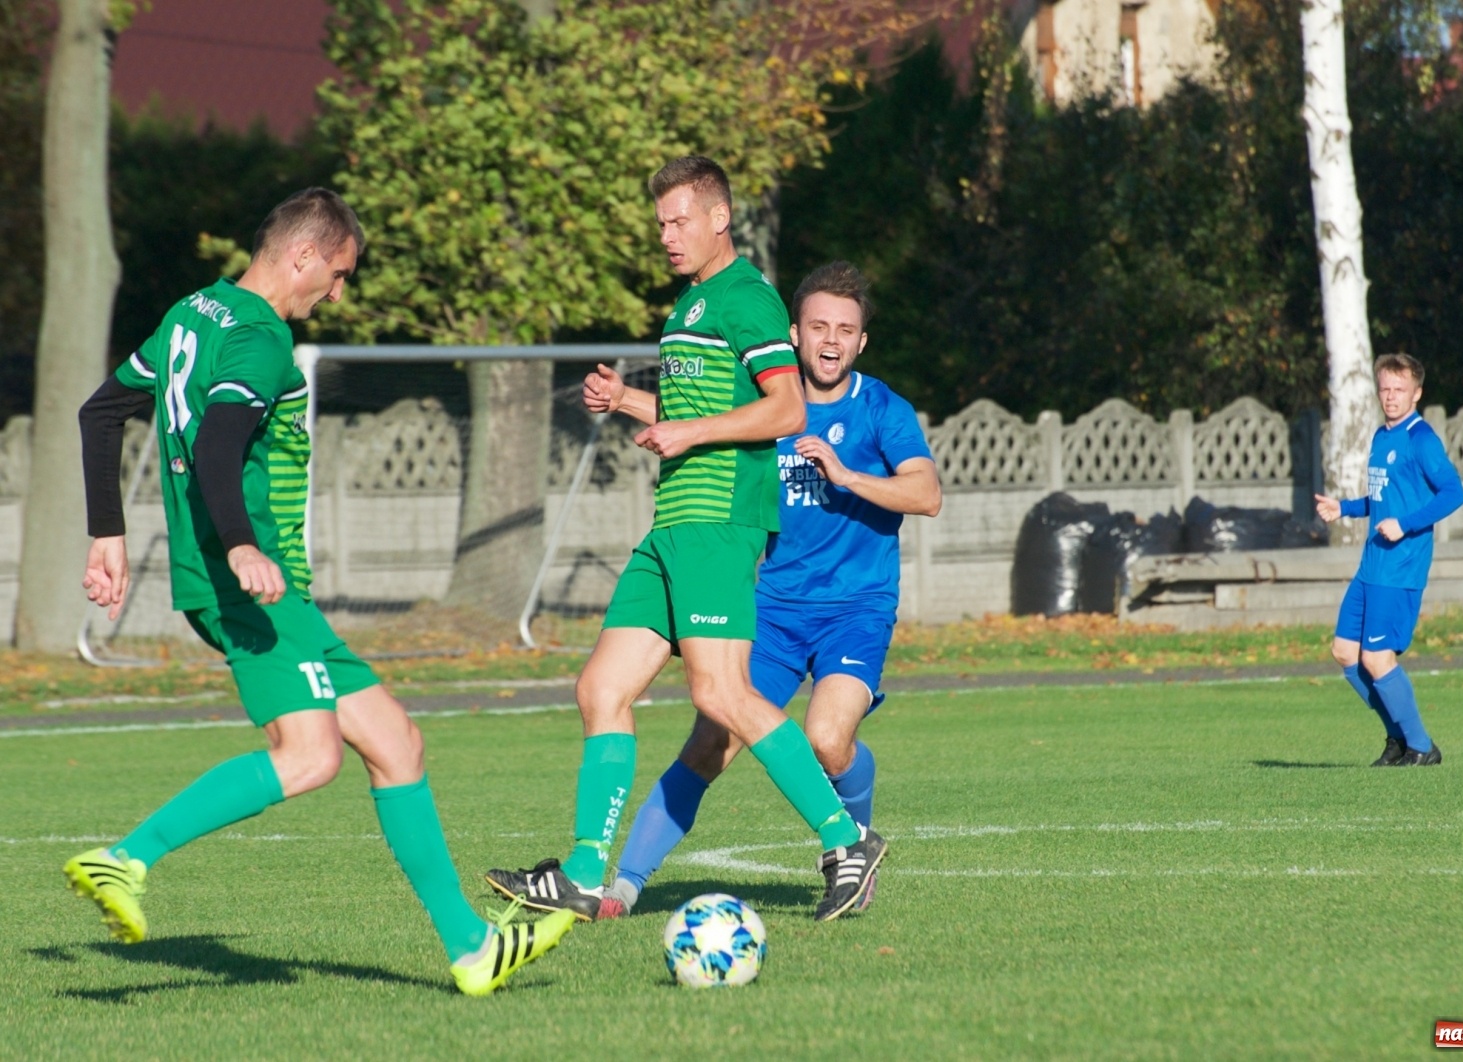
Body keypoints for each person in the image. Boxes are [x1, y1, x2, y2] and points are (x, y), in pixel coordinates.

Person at [65, 188, 572, 997]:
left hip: (246, 585)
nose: (337, 293)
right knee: (309, 757)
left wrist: (108, 533)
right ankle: (125, 858)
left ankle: (473, 949)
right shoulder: (263, 339)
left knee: (397, 743)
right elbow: (223, 440)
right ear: (300, 256)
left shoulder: (193, 312)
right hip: (247, 587)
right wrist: (240, 546)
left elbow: (101, 411)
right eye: (336, 274)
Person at [485, 158, 885, 924]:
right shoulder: (691, 305)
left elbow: (785, 410)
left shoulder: (747, 299)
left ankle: (846, 840)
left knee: (721, 694)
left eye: (678, 221)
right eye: (661, 223)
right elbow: (696, 405)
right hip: (672, 527)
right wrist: (628, 400)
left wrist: (690, 431)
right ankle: (580, 870)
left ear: (718, 219)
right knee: (599, 689)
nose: (666, 236)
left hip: (718, 523)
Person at [596, 260, 941, 919]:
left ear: (862, 341)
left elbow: (926, 494)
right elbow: (694, 421)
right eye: (818, 327)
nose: (831, 340)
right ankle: (625, 886)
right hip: (773, 612)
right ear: (794, 334)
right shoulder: (768, 408)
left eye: (845, 329)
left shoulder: (882, 410)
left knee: (826, 741)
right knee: (708, 740)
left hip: (855, 611)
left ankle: (854, 847)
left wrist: (846, 476)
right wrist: (623, 402)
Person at [1315, 354, 1463, 766]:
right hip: (1371, 566)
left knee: (1377, 658)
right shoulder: (1382, 437)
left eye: (1400, 389)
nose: (1391, 396)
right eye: (1385, 388)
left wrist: (1406, 525)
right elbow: (1384, 498)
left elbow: (1453, 493)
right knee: (1345, 652)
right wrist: (1343, 508)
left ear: (1417, 393)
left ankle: (1421, 746)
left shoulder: (1421, 439)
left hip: (1400, 568)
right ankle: (1397, 737)